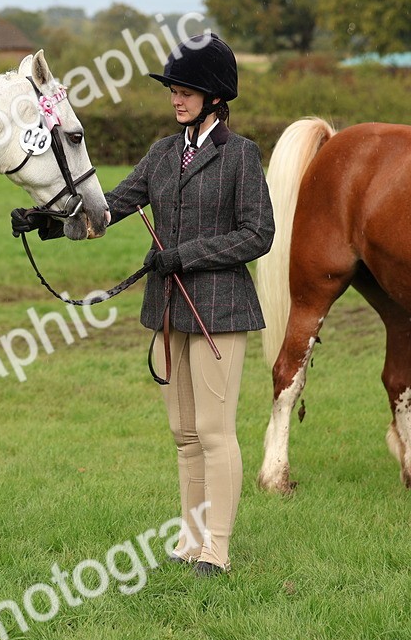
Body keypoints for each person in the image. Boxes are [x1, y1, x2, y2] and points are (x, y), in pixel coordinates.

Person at [16, 33, 274, 576]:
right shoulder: (161, 153)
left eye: (185, 91)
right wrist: (45, 222)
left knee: (213, 431)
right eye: (173, 91)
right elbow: (108, 209)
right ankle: (190, 539)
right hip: (168, 310)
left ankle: (218, 549)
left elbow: (258, 235)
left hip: (219, 310)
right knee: (183, 433)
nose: (175, 100)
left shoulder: (241, 155)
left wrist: (185, 254)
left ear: (214, 97)